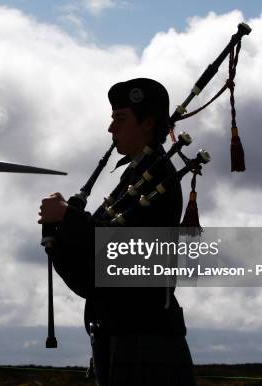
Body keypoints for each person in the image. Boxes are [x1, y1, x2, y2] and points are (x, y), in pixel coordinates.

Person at [38, 78, 196, 385]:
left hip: (146, 340)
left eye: (120, 119)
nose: (111, 129)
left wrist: (69, 218)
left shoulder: (159, 175)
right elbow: (91, 279)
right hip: (117, 336)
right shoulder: (136, 174)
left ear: (148, 123)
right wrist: (56, 239)